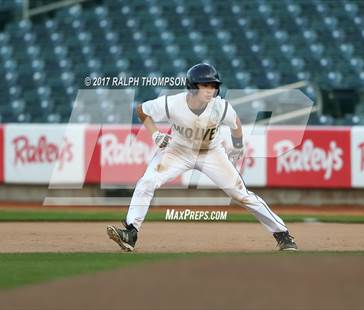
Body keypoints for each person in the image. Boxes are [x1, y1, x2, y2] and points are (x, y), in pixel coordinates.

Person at [107, 63, 298, 251]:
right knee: (147, 181)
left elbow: (236, 123)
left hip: (211, 153)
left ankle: (282, 234)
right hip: (177, 150)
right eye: (205, 85)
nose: (210, 90)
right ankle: (131, 232)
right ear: (192, 87)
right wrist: (155, 134)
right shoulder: (172, 103)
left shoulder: (220, 107)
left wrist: (238, 145)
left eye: (213, 86)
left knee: (240, 194)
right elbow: (142, 110)